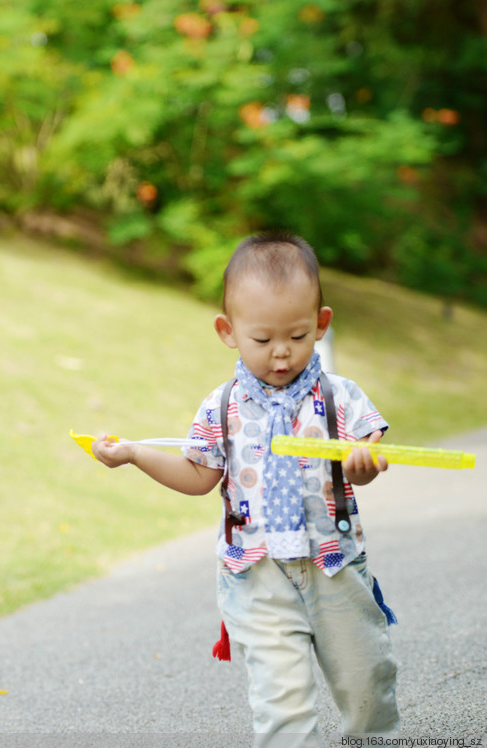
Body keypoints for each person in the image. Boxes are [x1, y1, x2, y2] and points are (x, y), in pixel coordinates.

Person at [92, 231, 400, 747]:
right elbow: (198, 477)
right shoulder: (220, 406)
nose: (281, 353)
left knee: (367, 682)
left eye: (299, 336)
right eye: (262, 339)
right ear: (228, 331)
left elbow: (363, 461)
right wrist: (135, 455)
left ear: (321, 324)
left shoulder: (338, 396)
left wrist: (364, 464)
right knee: (281, 703)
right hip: (255, 575)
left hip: (334, 567)